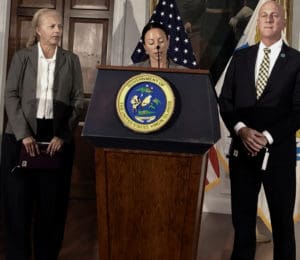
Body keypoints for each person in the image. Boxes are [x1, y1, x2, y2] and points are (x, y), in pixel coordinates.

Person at [219, 1, 300, 259]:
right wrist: (242, 130)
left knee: (283, 228)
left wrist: (266, 136)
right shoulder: (240, 57)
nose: (268, 19)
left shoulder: (297, 61)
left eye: (274, 15)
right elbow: (226, 101)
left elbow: (299, 110)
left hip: (279, 157)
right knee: (242, 228)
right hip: (243, 155)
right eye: (264, 15)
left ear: (283, 21)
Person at [1, 8, 84, 260]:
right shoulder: (22, 57)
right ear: (38, 30)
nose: (58, 30)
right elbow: (11, 95)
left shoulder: (71, 60)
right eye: (52, 26)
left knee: (51, 208)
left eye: (59, 26)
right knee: (18, 206)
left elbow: (78, 100)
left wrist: (62, 134)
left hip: (57, 138)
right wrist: (24, 135)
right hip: (19, 136)